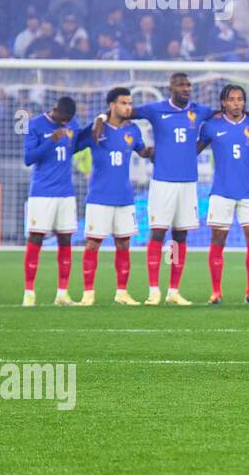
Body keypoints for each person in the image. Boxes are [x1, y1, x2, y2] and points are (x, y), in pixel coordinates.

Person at [106, 72, 213, 305]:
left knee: (180, 236)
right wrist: (100, 118)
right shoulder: (156, 109)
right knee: (157, 233)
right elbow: (125, 112)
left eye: (188, 85)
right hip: (162, 182)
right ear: (170, 88)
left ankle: (173, 291)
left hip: (188, 183)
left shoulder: (199, 110)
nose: (186, 88)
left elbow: (225, 113)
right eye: (181, 85)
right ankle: (154, 290)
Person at [75, 87, 152, 306]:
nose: (128, 107)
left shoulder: (134, 130)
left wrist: (153, 152)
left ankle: (122, 292)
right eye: (123, 103)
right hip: (99, 196)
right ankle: (88, 293)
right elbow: (73, 145)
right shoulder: (96, 129)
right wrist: (98, 118)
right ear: (112, 105)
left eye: (130, 103)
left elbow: (142, 151)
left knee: (124, 244)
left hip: (124, 197)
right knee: (93, 244)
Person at [197, 85, 249, 304]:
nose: (236, 103)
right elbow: (194, 149)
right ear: (223, 103)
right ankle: (216, 292)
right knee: (218, 238)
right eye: (232, 99)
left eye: (240, 99)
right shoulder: (211, 127)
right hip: (221, 191)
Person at [22, 96, 82, 307]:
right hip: (42, 193)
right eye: (63, 119)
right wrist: (51, 141)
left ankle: (62, 293)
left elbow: (78, 142)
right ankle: (29, 292)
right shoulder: (35, 124)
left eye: (69, 120)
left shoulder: (72, 123)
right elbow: (28, 158)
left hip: (66, 193)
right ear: (55, 110)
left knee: (65, 240)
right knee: (36, 238)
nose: (66, 123)